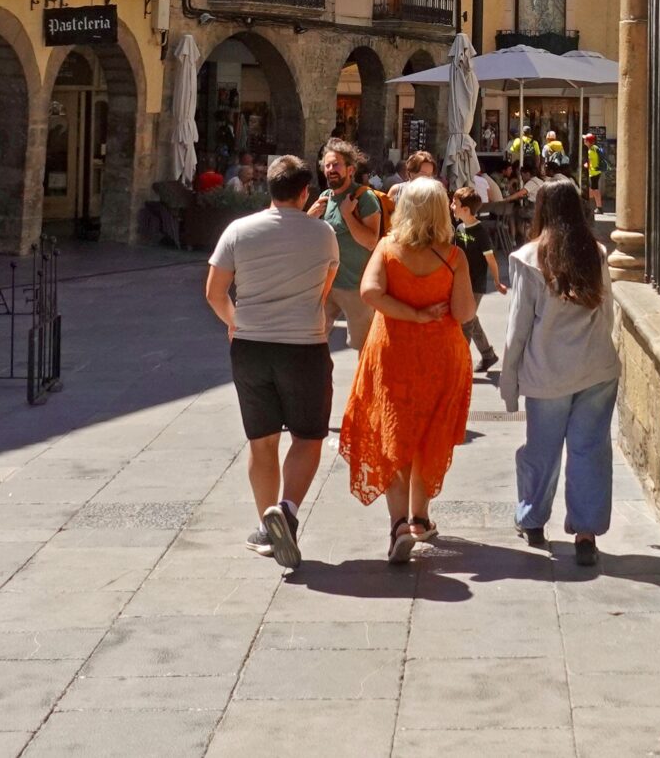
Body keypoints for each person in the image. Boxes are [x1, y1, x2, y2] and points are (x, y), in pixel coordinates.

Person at [203, 153, 337, 571]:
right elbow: (324, 289)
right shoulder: (324, 234)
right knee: (308, 436)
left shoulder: (238, 230)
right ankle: (288, 512)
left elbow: (214, 292)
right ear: (305, 192)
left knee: (261, 441)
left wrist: (234, 321)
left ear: (269, 189)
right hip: (304, 346)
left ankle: (266, 525)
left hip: (251, 346)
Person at [336, 179, 475, 563]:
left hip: (393, 353)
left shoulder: (387, 248)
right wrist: (428, 311)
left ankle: (399, 524)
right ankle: (419, 518)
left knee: (394, 434)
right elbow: (464, 312)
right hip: (440, 357)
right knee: (429, 436)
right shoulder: (454, 256)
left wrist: (410, 313)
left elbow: (370, 293)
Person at [499, 178, 621, 565]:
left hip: (547, 372)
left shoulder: (527, 259)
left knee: (541, 449)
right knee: (591, 450)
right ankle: (586, 533)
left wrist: (508, 382)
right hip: (596, 368)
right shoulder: (595, 253)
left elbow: (518, 328)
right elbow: (607, 312)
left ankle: (532, 519)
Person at [307, 139, 388, 350]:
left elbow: (370, 242)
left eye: (336, 164)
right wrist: (309, 218)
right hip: (327, 283)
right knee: (312, 338)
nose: (330, 169)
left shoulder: (364, 198)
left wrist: (348, 215)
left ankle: (365, 375)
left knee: (363, 346)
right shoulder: (325, 197)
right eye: (327, 165)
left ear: (350, 169)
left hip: (356, 287)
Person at [450, 187, 503, 375]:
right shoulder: (459, 228)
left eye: (455, 203)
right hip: (461, 283)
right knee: (471, 318)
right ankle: (488, 354)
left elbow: (491, 259)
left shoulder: (480, 232)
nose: (452, 206)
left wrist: (497, 281)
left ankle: (460, 364)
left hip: (475, 284)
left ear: (465, 209)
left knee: (466, 322)